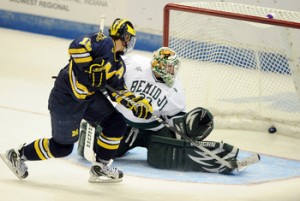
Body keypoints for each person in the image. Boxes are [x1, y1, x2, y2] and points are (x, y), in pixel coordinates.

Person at [0, 18, 153, 183]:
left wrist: (135, 103)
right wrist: (89, 67)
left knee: (116, 124)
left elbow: (118, 91)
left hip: (89, 99)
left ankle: (100, 167)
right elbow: (76, 46)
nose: (130, 42)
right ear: (123, 36)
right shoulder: (103, 42)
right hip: (66, 98)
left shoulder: (118, 65)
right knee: (62, 147)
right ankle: (17, 155)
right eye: (129, 37)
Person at [78, 47, 243, 174]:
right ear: (158, 65)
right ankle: (94, 131)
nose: (173, 72)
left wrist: (188, 124)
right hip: (123, 125)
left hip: (154, 130)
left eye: (174, 68)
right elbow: (111, 72)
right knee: (106, 151)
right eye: (169, 68)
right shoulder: (132, 64)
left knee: (164, 155)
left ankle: (217, 158)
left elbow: (174, 119)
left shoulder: (176, 90)